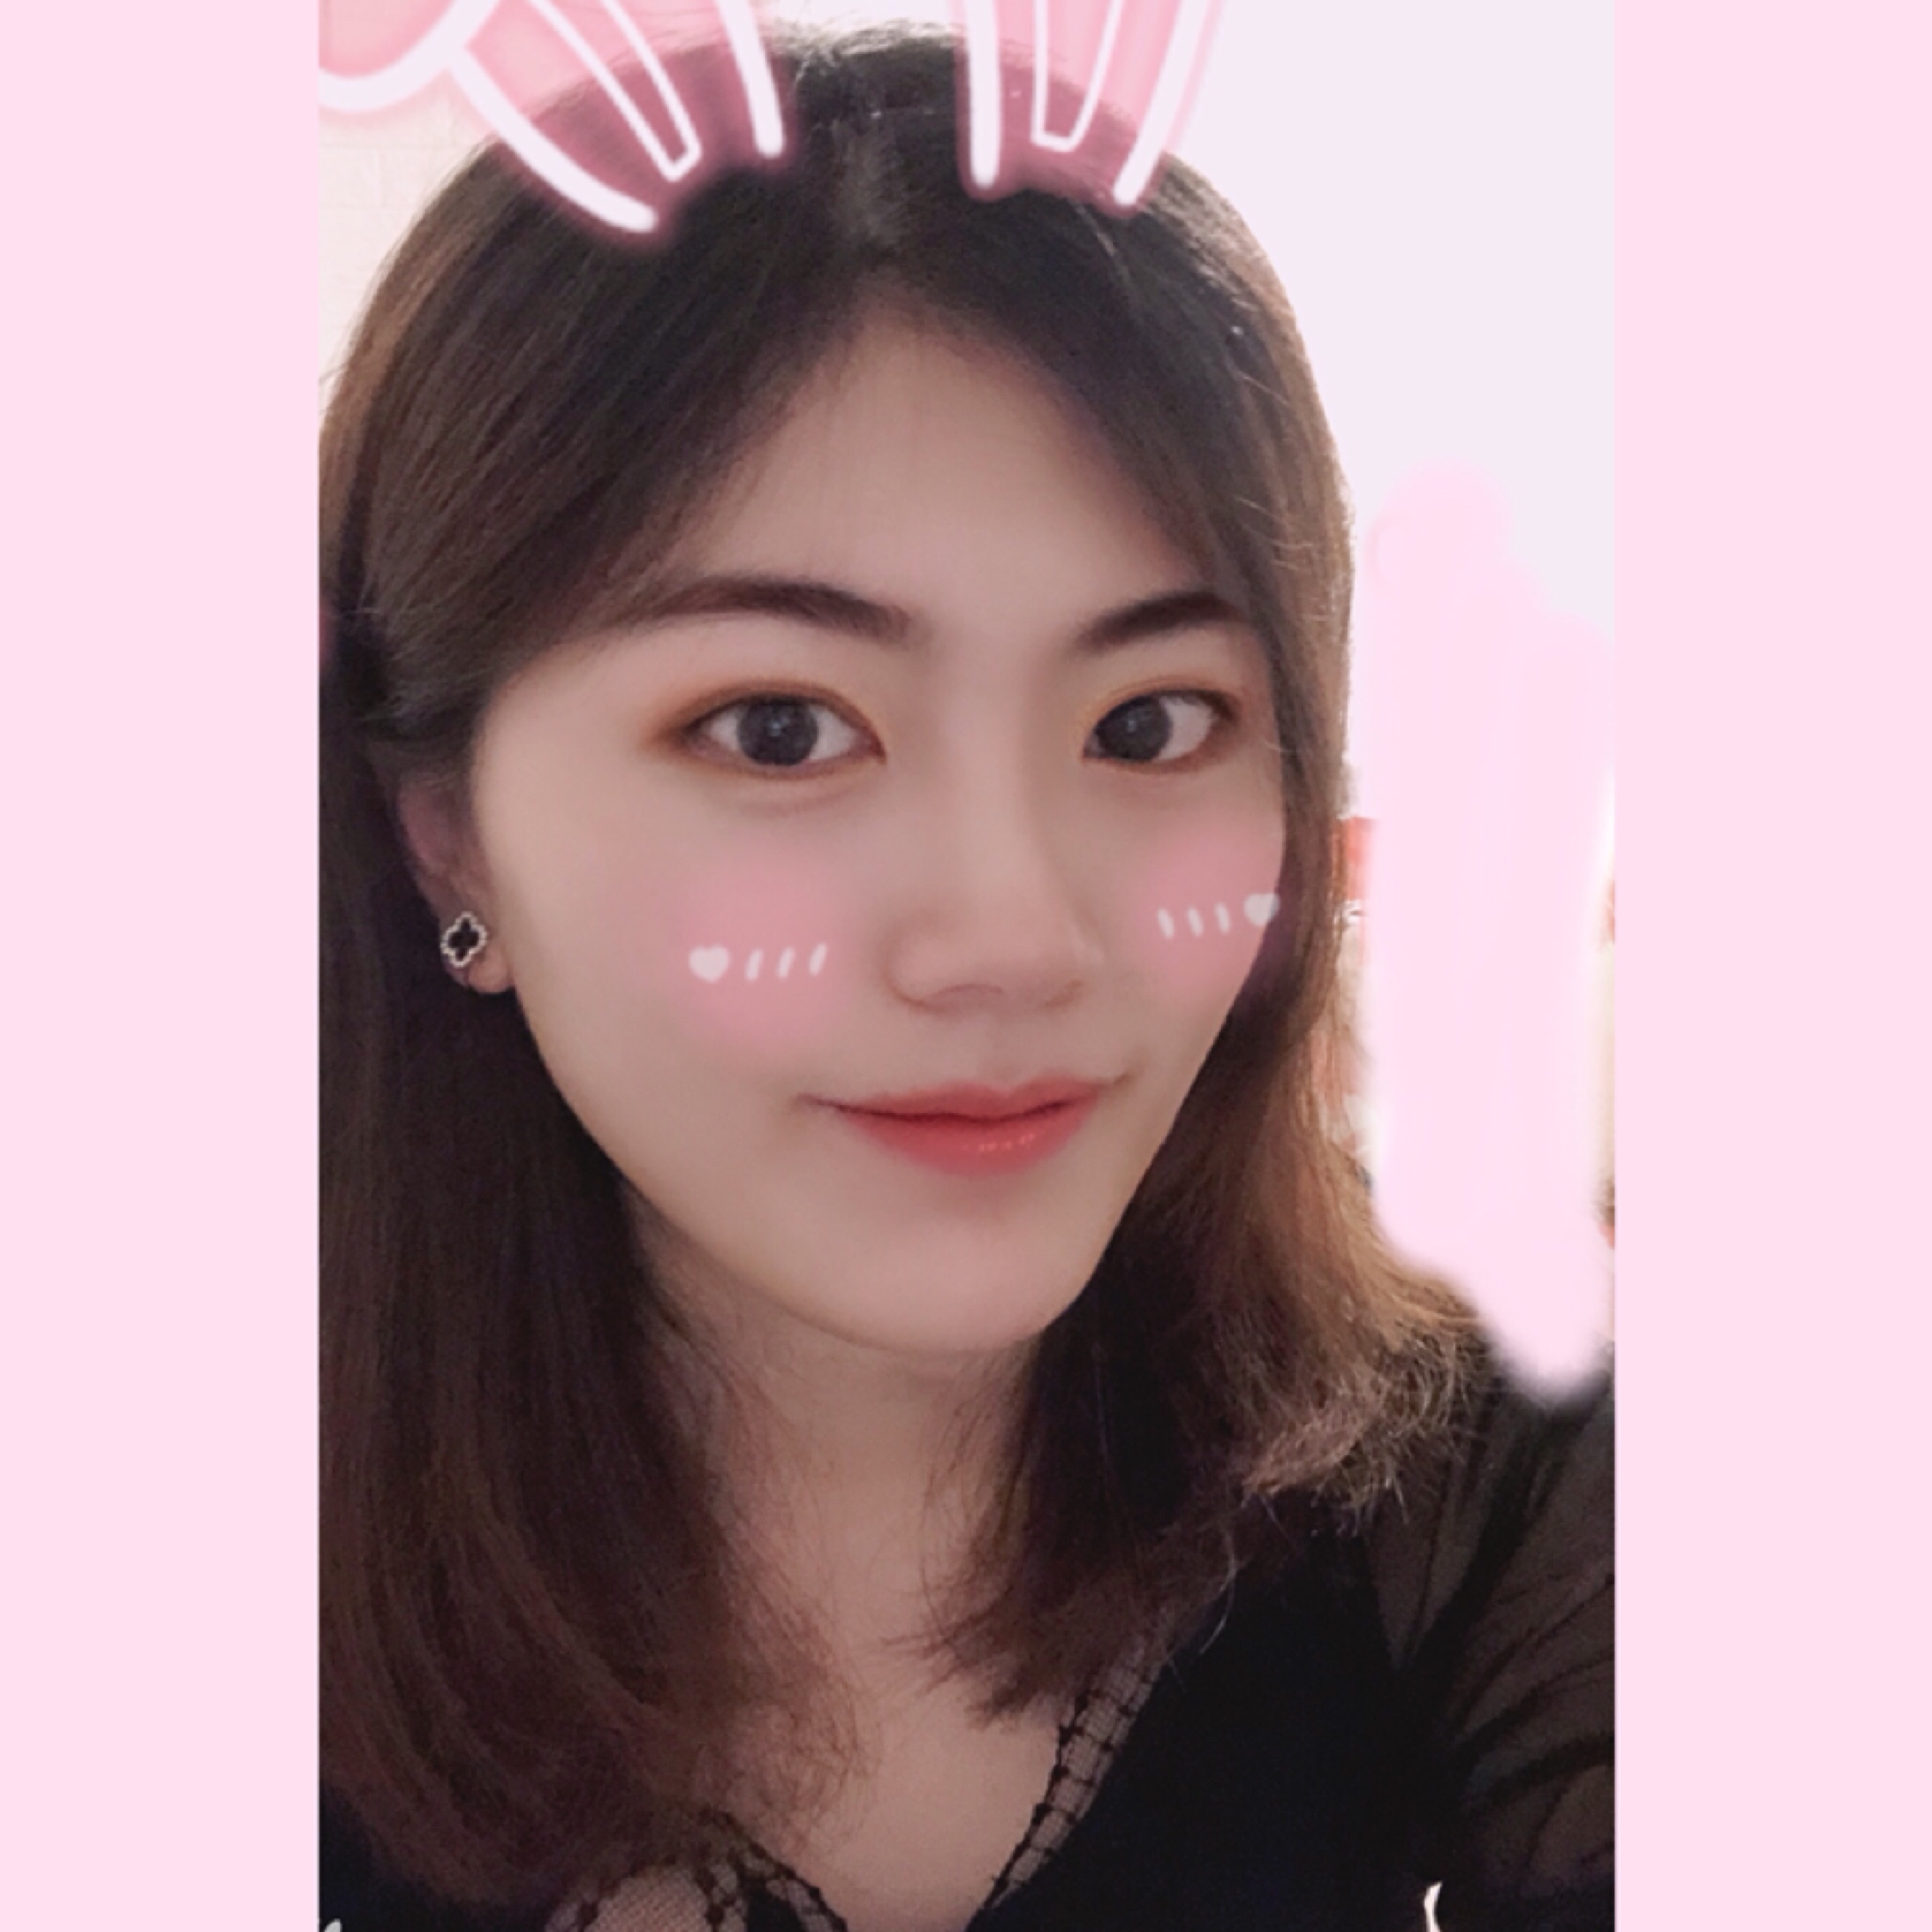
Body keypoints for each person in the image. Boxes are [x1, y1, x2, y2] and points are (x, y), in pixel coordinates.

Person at [321, 26, 1612, 1932]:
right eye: (777, 728)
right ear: (445, 832)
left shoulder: (1495, 1472)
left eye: (1152, 721)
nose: (1016, 936)